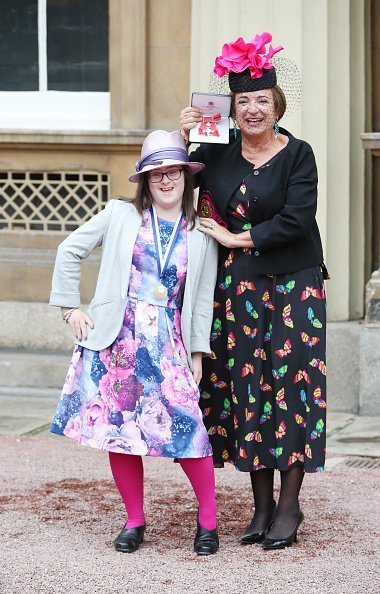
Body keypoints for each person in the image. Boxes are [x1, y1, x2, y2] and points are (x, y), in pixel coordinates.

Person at [180, 33, 328, 550]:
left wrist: (233, 237)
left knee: (292, 392)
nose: (252, 109)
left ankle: (289, 506)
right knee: (248, 390)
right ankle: (261, 505)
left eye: (261, 99)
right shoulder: (217, 154)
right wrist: (182, 139)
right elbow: (171, 180)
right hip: (239, 290)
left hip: (295, 286)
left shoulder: (299, 155)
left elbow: (295, 220)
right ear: (232, 108)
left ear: (276, 104)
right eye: (242, 100)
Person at [49, 130, 219, 556]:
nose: (165, 181)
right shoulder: (120, 215)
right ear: (144, 179)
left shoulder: (202, 234)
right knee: (120, 432)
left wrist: (197, 351)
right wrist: (71, 309)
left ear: (186, 175)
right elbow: (69, 250)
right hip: (117, 338)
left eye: (173, 171)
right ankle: (134, 521)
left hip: (167, 340)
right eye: (156, 173)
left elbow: (200, 300)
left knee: (190, 429)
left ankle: (208, 523)